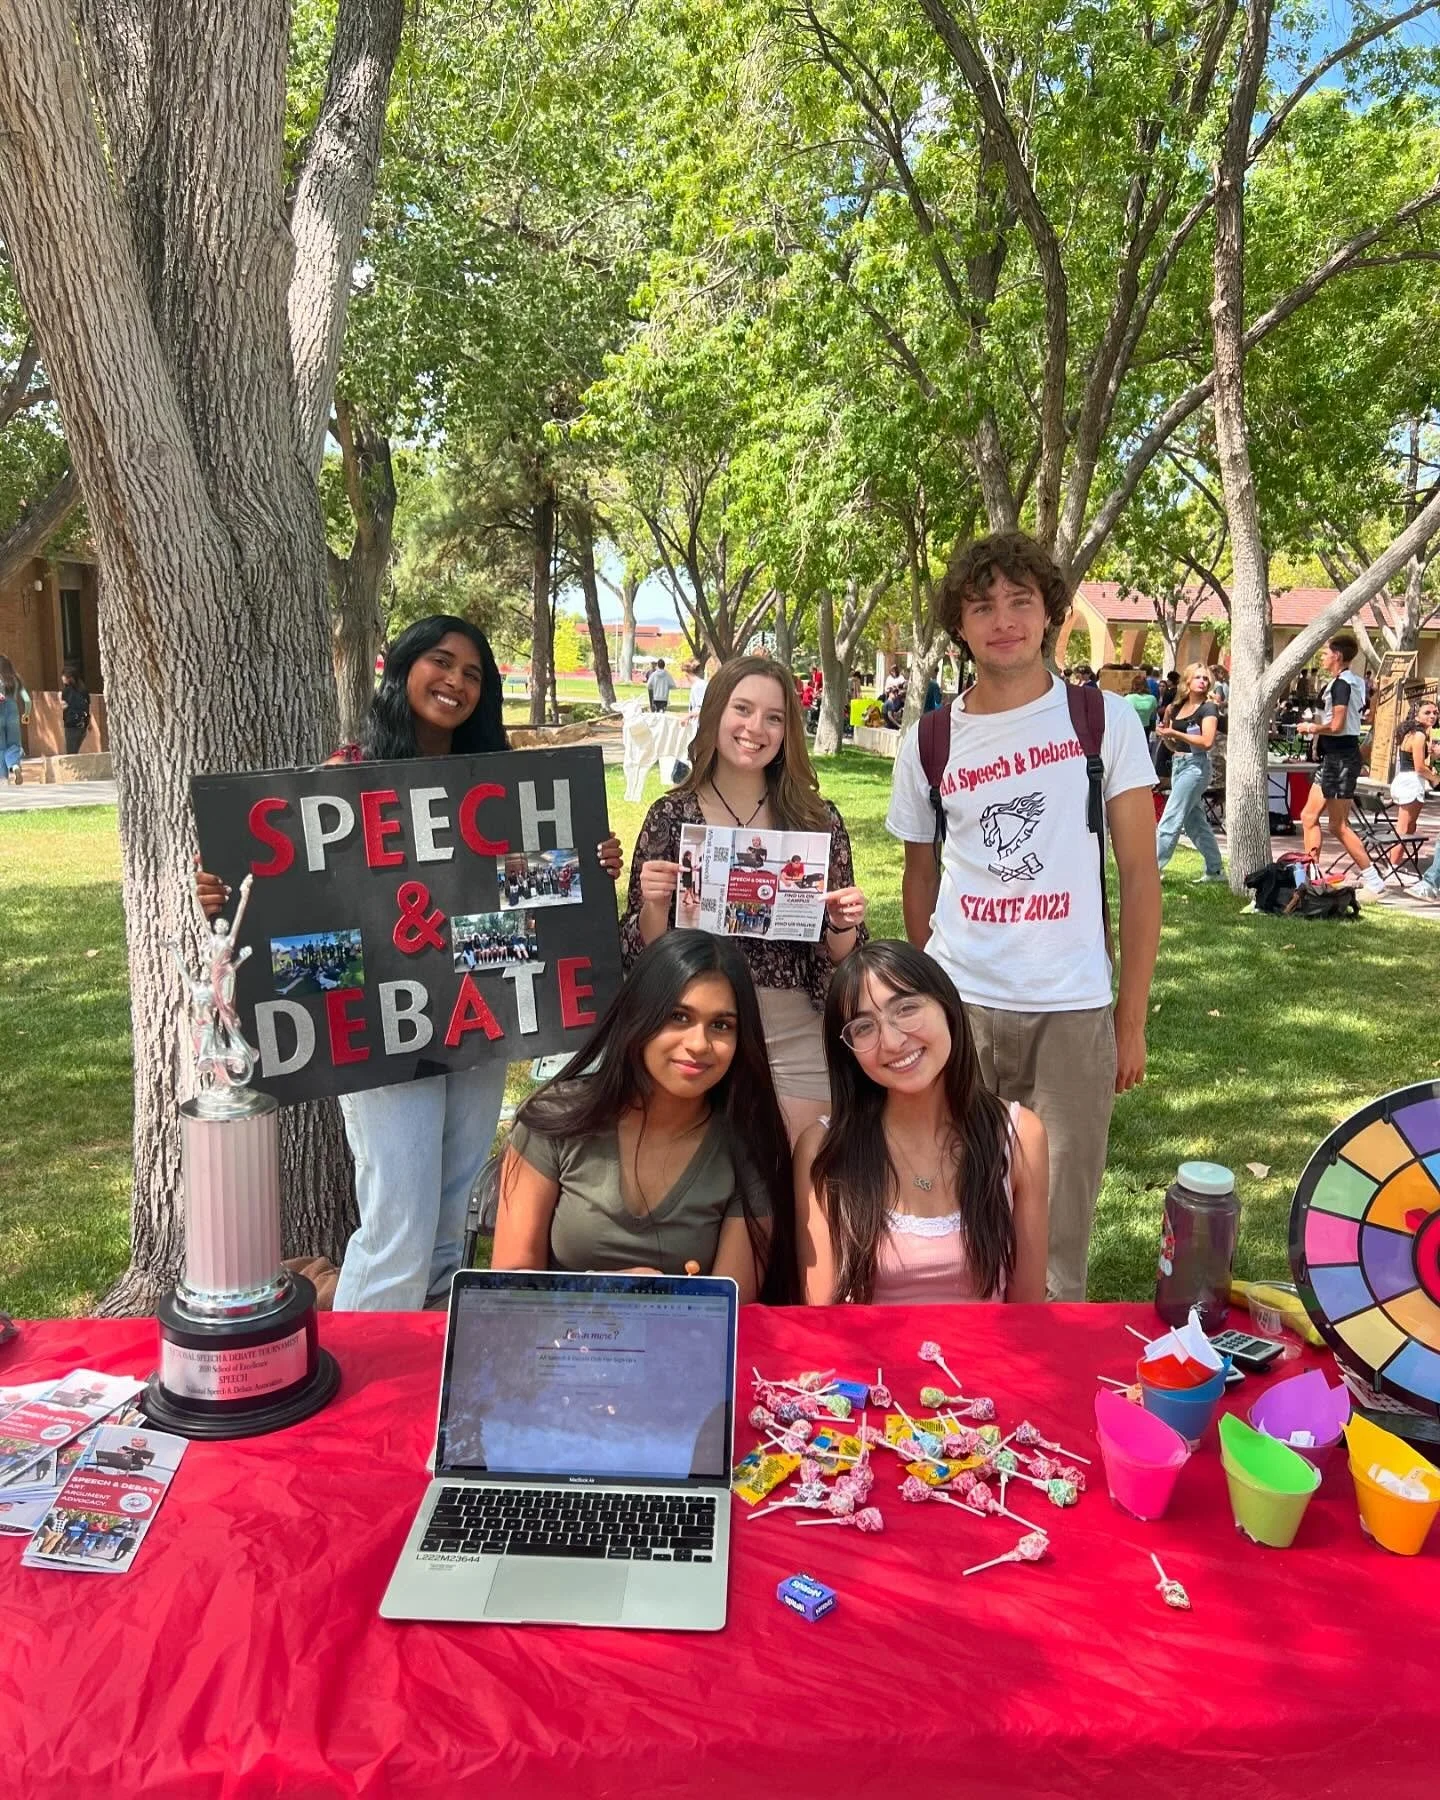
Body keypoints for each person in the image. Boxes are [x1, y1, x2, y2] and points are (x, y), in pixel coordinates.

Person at [197, 614, 624, 1311]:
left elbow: (520, 891)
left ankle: (427, 1377)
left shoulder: (494, 783)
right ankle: (363, 1384)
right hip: (381, 1028)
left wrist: (583, 865)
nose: (455, 681)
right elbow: (301, 907)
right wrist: (227, 890)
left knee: (450, 1223)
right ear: (401, 668)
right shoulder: (346, 776)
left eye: (473, 673)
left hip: (476, 1017)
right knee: (398, 1223)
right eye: (441, 662)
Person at [887, 530, 1160, 1302]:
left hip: (1072, 1010)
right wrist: (929, 991)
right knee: (954, 1206)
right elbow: (919, 876)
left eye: (1019, 602)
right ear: (961, 626)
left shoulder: (1103, 722)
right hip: (963, 1007)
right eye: (982, 606)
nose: (1002, 620)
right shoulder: (930, 742)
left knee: (1059, 1232)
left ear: (1050, 616)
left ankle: (1046, 1381)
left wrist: (1129, 1017)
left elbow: (1140, 878)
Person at [621, 655, 869, 1143]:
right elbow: (647, 955)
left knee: (804, 1178)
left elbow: (840, 963)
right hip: (697, 1023)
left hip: (794, 1023)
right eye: (743, 709)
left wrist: (842, 924)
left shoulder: (816, 820)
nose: (756, 728)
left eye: (774, 717)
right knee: (707, 1188)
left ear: (787, 731)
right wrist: (653, 904)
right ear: (715, 714)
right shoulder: (672, 816)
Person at [492, 931, 795, 1302]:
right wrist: (601, 1293)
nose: (699, 1044)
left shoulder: (748, 1145)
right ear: (639, 1016)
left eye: (721, 1025)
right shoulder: (553, 1119)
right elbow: (506, 1290)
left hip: (683, 1352)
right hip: (557, 1350)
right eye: (679, 1016)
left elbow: (730, 1313)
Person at [795, 941, 1048, 1305]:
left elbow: (1028, 1315)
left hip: (986, 1358)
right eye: (863, 1028)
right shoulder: (822, 1149)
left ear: (946, 1006)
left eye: (907, 1009)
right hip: (871, 1360)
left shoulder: (1020, 1135)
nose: (893, 1041)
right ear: (847, 1052)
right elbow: (821, 1318)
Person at [1296, 632, 1385, 895]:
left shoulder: (1341, 685)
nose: (1322, 657)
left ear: (1337, 656)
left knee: (1338, 825)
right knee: (1308, 816)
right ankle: (1310, 874)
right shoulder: (1352, 681)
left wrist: (1312, 727)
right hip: (1334, 759)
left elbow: (1337, 725)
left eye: (1325, 653)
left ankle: (1373, 878)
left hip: (1342, 758)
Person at [1153, 663, 1225, 882]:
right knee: (1195, 823)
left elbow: (1206, 741)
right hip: (1179, 765)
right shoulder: (1176, 707)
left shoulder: (1208, 709)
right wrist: (1166, 735)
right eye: (1198, 677)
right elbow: (1174, 745)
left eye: (1205, 678)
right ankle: (1215, 870)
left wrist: (1175, 731)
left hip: (1196, 767)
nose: (1202, 681)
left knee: (1171, 817)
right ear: (1188, 681)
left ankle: (1152, 869)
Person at [1388, 698, 1440, 871]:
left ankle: (1395, 864)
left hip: (1404, 780)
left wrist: (1431, 754)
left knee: (1410, 826)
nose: (1432, 716)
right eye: (1427, 713)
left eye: (1435, 712)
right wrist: (1435, 778)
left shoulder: (1412, 733)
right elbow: (1419, 767)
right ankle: (1392, 866)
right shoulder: (1419, 735)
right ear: (1416, 716)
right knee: (1404, 828)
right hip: (1411, 783)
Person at [0, 653, 30, 784]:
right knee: (14, 744)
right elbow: (27, 700)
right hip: (13, 714)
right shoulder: (16, 679)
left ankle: (3, 778)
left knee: (1, 747)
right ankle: (15, 765)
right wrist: (26, 714)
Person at [61, 667, 91, 756]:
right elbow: (87, 707)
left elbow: (65, 706)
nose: (62, 678)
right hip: (83, 725)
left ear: (68, 678)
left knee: (71, 753)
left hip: (71, 725)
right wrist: (89, 722)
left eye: (63, 676)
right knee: (76, 750)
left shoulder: (66, 691)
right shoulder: (84, 690)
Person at [1126, 671, 1158, 738]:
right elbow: (1153, 717)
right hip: (1146, 728)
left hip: (1130, 728)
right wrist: (1153, 729)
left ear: (1133, 685)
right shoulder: (1152, 699)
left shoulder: (1128, 698)